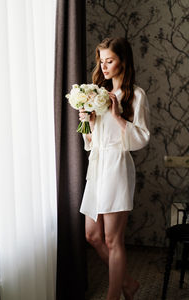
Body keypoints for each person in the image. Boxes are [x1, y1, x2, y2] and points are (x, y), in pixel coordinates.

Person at [79, 37, 150, 300]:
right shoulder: (98, 92)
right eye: (101, 60)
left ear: (123, 60)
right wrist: (87, 122)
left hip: (118, 166)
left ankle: (113, 296)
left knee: (112, 239)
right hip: (97, 166)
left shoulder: (136, 95)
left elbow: (141, 138)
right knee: (92, 235)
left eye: (110, 60)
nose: (104, 66)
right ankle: (128, 283)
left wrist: (118, 115)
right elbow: (90, 141)